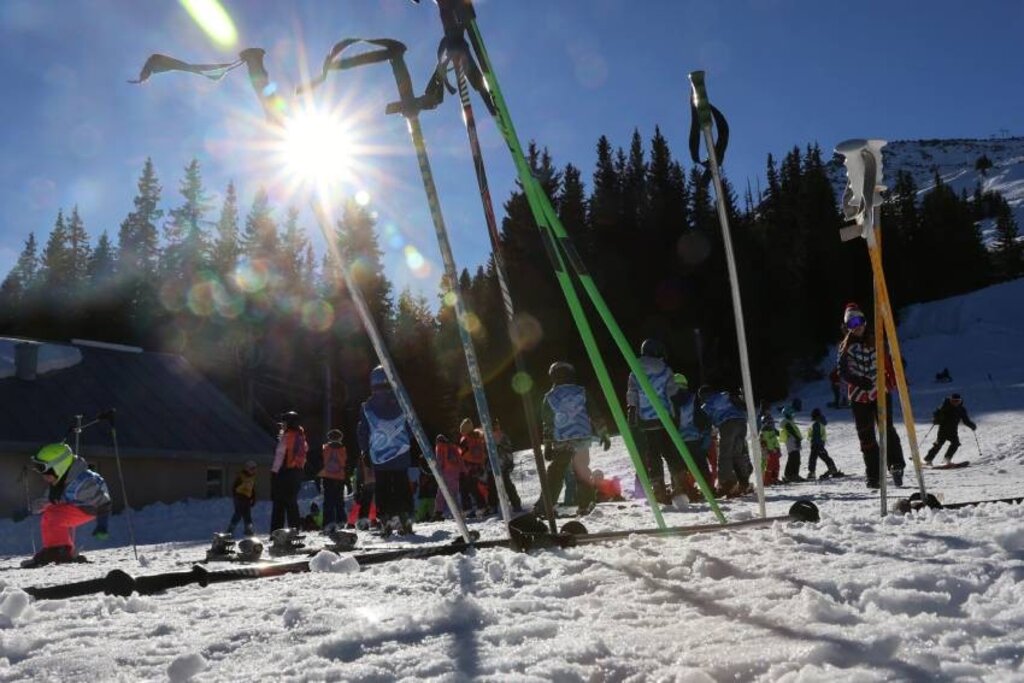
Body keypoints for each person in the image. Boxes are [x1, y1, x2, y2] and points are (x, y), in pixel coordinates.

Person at [837, 302, 906, 488]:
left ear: (865, 321)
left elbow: (889, 362)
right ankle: (873, 474)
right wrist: (858, 381)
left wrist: (895, 377)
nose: (856, 327)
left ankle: (896, 464)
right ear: (847, 327)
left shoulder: (877, 341)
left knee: (886, 428)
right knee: (866, 435)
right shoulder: (845, 347)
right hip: (858, 397)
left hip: (879, 391)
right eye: (852, 324)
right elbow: (842, 371)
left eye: (858, 321)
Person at [17, 443, 111, 567]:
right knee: (51, 512)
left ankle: (58, 551)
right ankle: (63, 551)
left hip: (90, 507)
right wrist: (30, 509)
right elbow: (47, 500)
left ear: (59, 467)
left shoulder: (84, 482)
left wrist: (102, 526)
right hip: (74, 504)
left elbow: (103, 502)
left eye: (45, 471)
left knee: (54, 516)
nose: (43, 476)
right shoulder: (59, 480)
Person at [539, 361, 611, 516]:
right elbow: (594, 413)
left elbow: (548, 423)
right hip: (581, 437)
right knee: (582, 469)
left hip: (562, 439)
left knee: (556, 472)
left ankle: (546, 506)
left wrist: (548, 444)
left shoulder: (550, 397)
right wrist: (603, 433)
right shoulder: (581, 392)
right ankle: (586, 504)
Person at [358, 365, 416, 535]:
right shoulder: (402, 402)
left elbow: (363, 431)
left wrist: (364, 450)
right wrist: (405, 441)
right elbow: (411, 428)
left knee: (382, 486)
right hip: (401, 453)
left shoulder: (367, 407)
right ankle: (405, 516)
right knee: (401, 484)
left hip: (379, 455)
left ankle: (385, 517)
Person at [626, 339, 684, 504]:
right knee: (670, 451)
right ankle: (679, 485)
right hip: (664, 417)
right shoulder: (665, 370)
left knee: (653, 453)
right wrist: (676, 413)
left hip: (647, 419)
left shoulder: (635, 370)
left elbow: (632, 393)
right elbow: (672, 392)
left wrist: (632, 411)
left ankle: (658, 488)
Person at [699, 385, 753, 498]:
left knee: (725, 454)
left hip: (727, 424)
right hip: (742, 421)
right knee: (737, 453)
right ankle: (744, 481)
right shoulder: (724, 395)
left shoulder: (706, 405)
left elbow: (705, 424)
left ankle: (727, 483)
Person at [670, 373, 713, 500]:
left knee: (678, 465)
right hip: (693, 438)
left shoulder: (669, 399)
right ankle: (708, 489)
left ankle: (680, 490)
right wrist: (703, 432)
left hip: (677, 439)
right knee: (700, 464)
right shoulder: (693, 398)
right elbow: (701, 417)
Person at [271, 411, 307, 532]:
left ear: (289, 423)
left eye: (284, 423)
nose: (282, 425)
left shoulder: (287, 436)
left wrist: (274, 472)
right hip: (297, 472)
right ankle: (295, 529)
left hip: (284, 472)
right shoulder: (301, 436)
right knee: (291, 503)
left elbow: (280, 456)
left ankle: (276, 531)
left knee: (279, 504)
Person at [925, 393, 976, 465]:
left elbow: (965, 420)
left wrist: (971, 425)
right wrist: (936, 419)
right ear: (950, 400)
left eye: (957, 401)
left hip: (953, 430)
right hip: (943, 430)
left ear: (960, 401)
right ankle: (928, 460)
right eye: (953, 401)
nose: (955, 403)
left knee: (955, 443)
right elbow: (937, 415)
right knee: (939, 444)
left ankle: (947, 459)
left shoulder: (961, 409)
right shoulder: (945, 407)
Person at [458, 418, 491, 517]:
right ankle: (482, 507)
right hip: (477, 466)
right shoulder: (478, 437)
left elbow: (462, 454)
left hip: (467, 467)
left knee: (464, 488)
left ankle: (468, 509)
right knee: (474, 488)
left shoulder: (465, 440)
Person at [318, 429, 348, 531]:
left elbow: (321, 461)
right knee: (339, 500)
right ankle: (341, 521)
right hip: (339, 477)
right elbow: (345, 463)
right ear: (340, 438)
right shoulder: (343, 449)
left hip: (328, 477)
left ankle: (328, 522)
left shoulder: (325, 448)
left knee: (328, 501)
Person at [492, 418, 522, 512]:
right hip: (495, 465)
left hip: (503, 464)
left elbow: (508, 449)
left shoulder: (502, 436)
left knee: (507, 484)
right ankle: (500, 505)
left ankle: (516, 504)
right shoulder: (489, 436)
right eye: (494, 425)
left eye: (496, 425)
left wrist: (509, 462)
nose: (496, 427)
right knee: (497, 485)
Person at [433, 433, 464, 521]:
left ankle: (438, 513)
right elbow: (460, 459)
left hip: (446, 473)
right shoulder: (452, 447)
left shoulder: (440, 447)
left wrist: (436, 470)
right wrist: (463, 470)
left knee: (441, 493)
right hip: (455, 473)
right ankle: (458, 513)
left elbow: (440, 461)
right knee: (454, 493)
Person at [807, 408, 843, 479]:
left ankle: (813, 473)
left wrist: (816, 445)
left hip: (816, 444)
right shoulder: (820, 423)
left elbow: (816, 435)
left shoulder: (816, 424)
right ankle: (832, 469)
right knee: (821, 457)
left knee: (814, 458)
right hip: (819, 444)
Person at [226, 459, 257, 537]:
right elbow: (234, 487)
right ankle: (230, 530)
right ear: (247, 468)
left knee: (247, 515)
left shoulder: (252, 478)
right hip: (239, 497)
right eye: (252, 468)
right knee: (238, 513)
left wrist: (253, 498)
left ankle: (248, 529)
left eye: (254, 469)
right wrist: (237, 496)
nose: (253, 471)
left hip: (247, 498)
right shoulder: (241, 476)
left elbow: (252, 489)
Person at [779, 406, 805, 483]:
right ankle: (793, 475)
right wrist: (797, 438)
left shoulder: (789, 421)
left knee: (793, 457)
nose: (793, 415)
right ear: (788, 414)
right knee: (795, 457)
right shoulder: (787, 422)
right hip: (792, 440)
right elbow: (791, 431)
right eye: (792, 414)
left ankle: (789, 474)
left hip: (792, 440)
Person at [758, 408, 782, 486]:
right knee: (768, 465)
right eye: (770, 423)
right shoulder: (763, 433)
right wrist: (768, 450)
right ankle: (765, 480)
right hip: (768, 452)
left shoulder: (772, 431)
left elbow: (775, 441)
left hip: (775, 451)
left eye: (772, 423)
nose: (771, 425)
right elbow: (764, 443)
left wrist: (778, 449)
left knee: (776, 465)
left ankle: (774, 479)